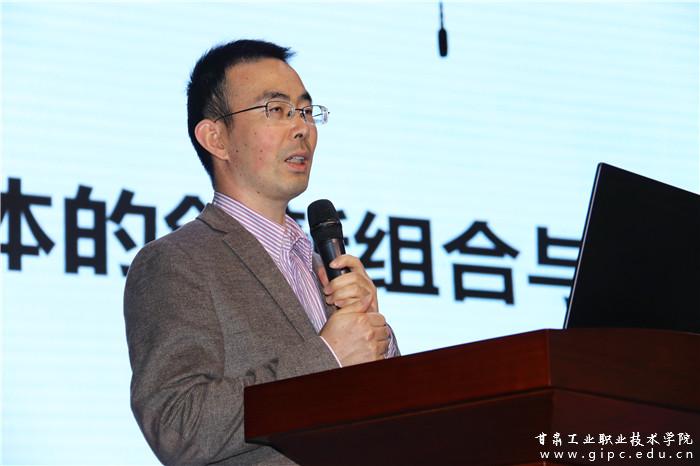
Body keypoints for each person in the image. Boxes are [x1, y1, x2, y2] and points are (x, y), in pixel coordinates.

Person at [123, 39, 399, 466]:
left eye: (305, 111)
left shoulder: (321, 263)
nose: (302, 128)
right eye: (276, 110)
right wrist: (327, 357)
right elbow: (178, 425)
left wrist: (379, 342)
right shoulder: (177, 262)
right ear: (216, 137)